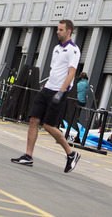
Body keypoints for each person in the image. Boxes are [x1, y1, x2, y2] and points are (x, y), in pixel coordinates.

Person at [11, 19, 81, 173]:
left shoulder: (73, 50)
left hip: (59, 92)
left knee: (49, 126)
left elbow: (71, 73)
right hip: (47, 88)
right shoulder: (56, 48)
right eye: (57, 29)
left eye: (61, 30)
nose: (58, 32)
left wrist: (61, 92)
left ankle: (71, 154)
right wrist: (47, 85)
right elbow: (55, 70)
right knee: (33, 119)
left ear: (68, 31)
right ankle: (28, 156)